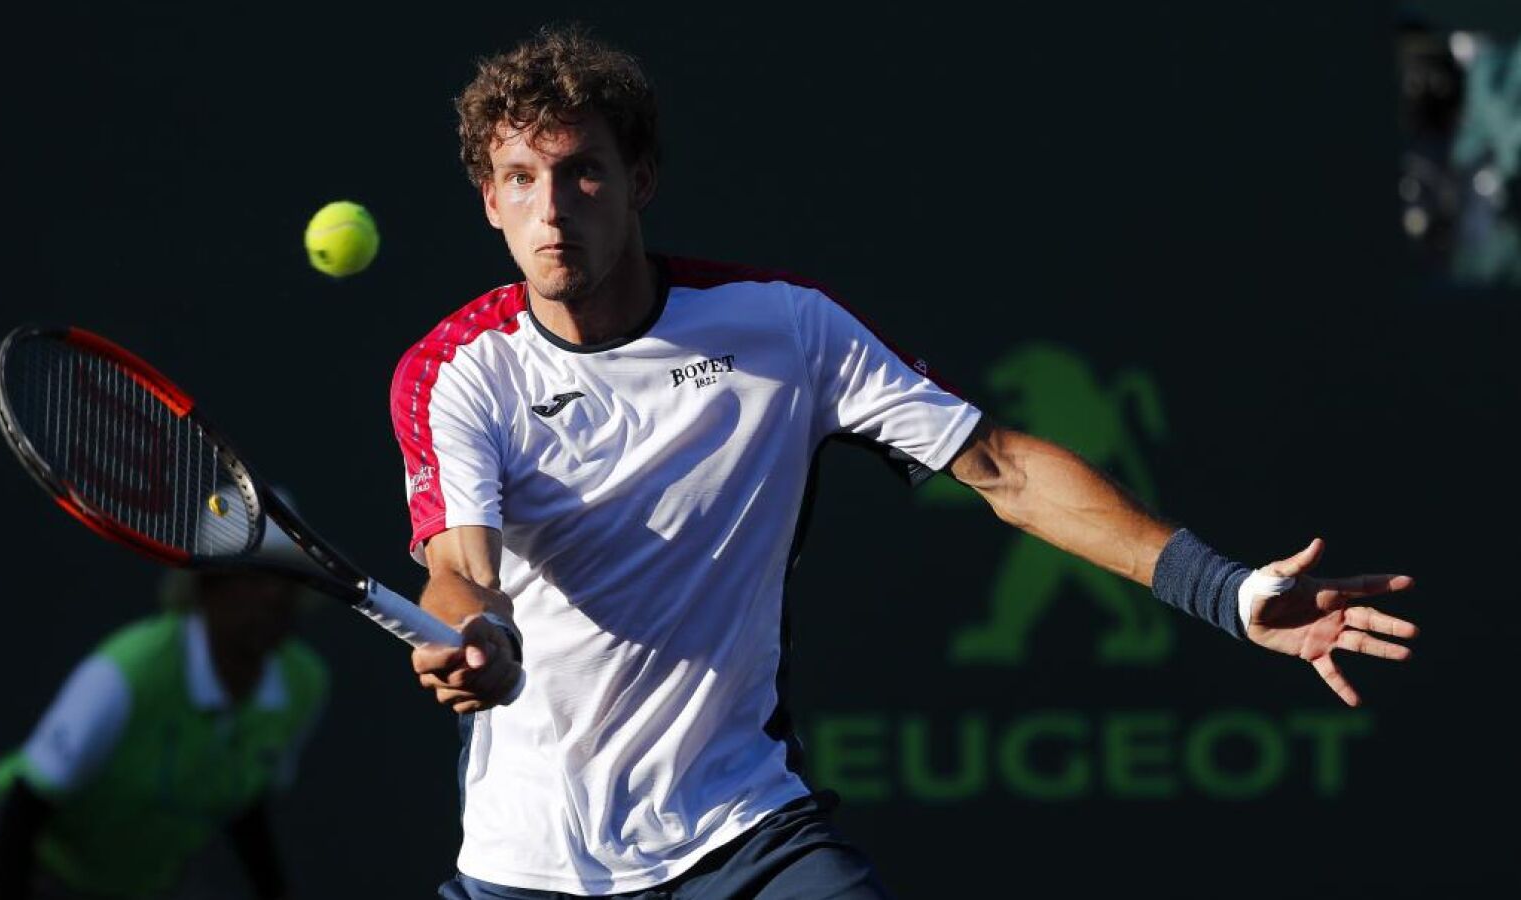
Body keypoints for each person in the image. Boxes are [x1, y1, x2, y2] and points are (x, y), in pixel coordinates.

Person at [390, 25, 1418, 900]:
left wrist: (1223, 590)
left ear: (639, 181)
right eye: (521, 179)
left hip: (742, 836)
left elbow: (1004, 470)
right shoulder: (458, 374)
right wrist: (474, 633)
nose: (553, 208)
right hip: (530, 863)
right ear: (490, 200)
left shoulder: (783, 330)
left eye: (581, 171)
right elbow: (462, 567)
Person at [0, 563, 328, 900]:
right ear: (206, 588)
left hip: (140, 883)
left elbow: (244, 801)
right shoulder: (128, 672)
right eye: (253, 579)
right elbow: (26, 805)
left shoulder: (304, 683)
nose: (274, 595)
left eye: (286, 581)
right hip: (22, 860)